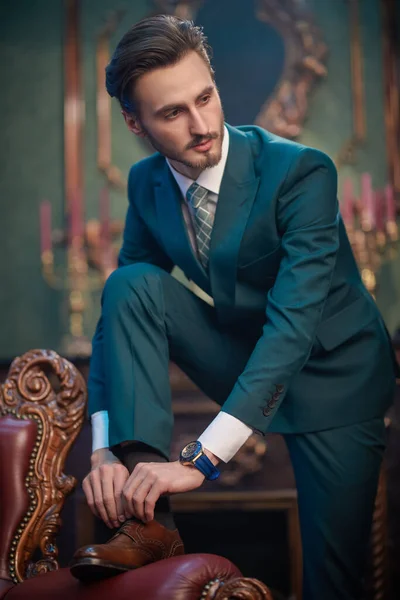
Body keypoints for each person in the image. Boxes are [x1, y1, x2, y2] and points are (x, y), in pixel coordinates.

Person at [69, 14, 400, 599]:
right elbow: (118, 319)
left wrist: (201, 460)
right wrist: (103, 452)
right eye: (173, 112)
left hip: (334, 377)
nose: (202, 125)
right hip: (240, 358)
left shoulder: (301, 172)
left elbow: (293, 324)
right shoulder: (148, 185)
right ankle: (149, 524)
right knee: (130, 285)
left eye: (205, 97)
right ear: (135, 122)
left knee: (336, 579)